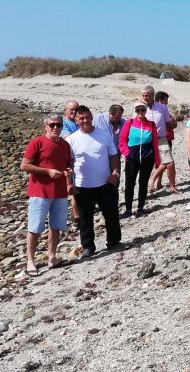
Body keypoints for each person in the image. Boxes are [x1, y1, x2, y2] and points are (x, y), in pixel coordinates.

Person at [65, 106, 124, 257]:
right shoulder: (71, 140)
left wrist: (115, 173)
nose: (85, 121)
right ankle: (88, 247)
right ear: (76, 121)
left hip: (105, 183)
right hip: (82, 186)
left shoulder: (104, 135)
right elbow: (68, 164)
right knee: (85, 218)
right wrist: (69, 184)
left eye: (87, 117)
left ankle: (114, 242)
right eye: (81, 118)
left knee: (111, 214)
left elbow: (114, 155)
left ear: (92, 118)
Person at [20, 115, 74, 274]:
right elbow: (24, 166)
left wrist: (68, 173)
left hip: (59, 192)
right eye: (52, 125)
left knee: (56, 226)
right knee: (35, 228)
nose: (56, 128)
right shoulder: (36, 142)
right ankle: (30, 261)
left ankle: (52, 257)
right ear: (45, 126)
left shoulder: (65, 145)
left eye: (59, 125)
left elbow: (67, 165)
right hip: (40, 192)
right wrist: (47, 172)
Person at [118, 103, 159, 217]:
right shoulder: (129, 123)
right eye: (138, 110)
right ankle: (128, 209)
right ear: (135, 111)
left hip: (147, 159)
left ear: (146, 110)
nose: (140, 112)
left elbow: (155, 142)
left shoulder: (151, 125)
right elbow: (122, 140)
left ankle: (141, 207)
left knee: (143, 183)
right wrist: (127, 153)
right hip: (132, 160)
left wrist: (156, 159)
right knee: (129, 184)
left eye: (142, 110)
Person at [146, 87, 179, 194]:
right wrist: (175, 122)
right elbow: (171, 124)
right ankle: (160, 182)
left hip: (164, 138)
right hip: (164, 138)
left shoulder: (161, 110)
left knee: (160, 162)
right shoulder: (161, 110)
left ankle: (159, 183)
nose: (167, 103)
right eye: (165, 100)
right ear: (160, 100)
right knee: (168, 162)